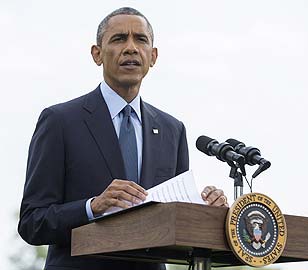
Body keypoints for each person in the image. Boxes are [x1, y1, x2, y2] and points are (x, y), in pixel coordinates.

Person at [18, 7, 228, 270]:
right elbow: (32, 222)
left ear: (153, 56)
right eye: (119, 39)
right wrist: (92, 207)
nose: (130, 48)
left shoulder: (172, 129)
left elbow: (176, 222)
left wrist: (207, 210)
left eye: (140, 39)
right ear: (97, 54)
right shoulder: (60, 121)